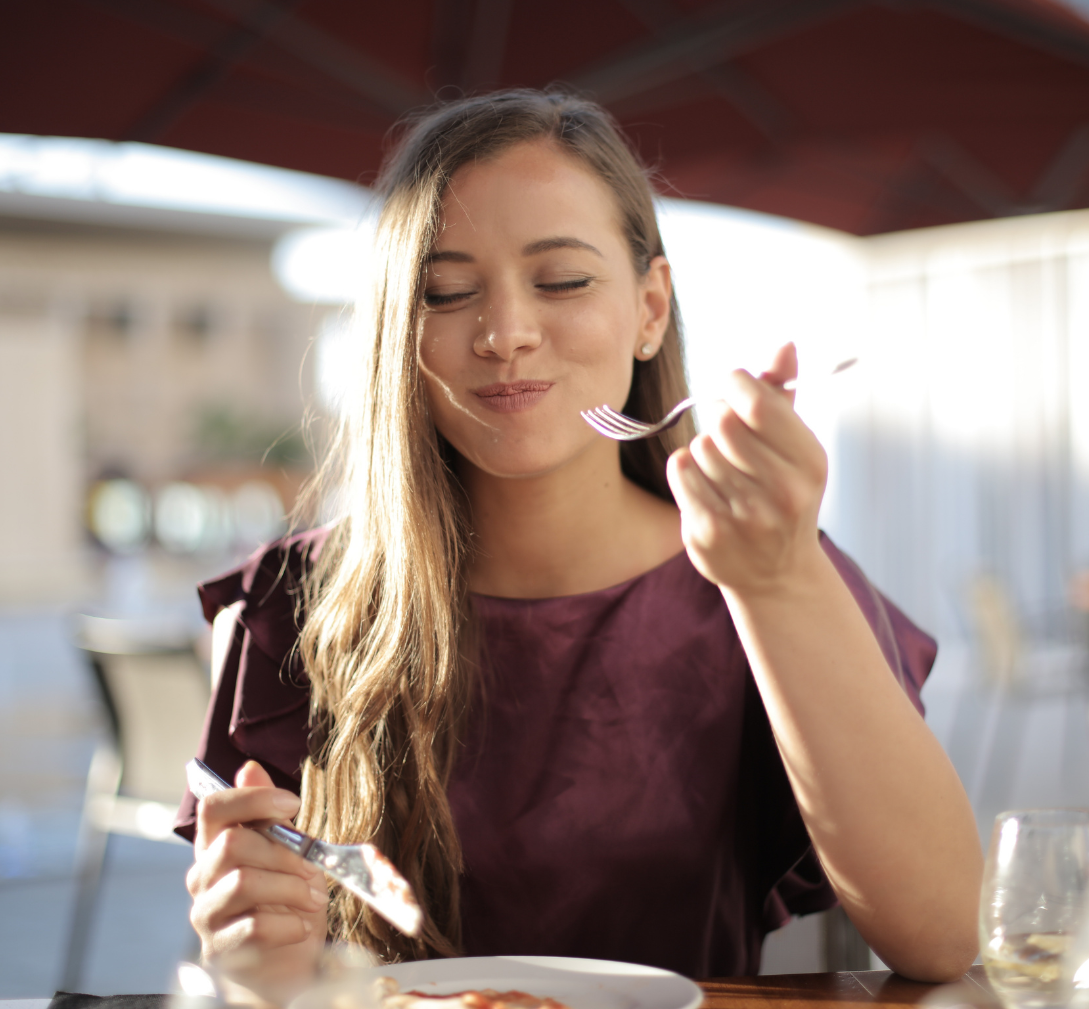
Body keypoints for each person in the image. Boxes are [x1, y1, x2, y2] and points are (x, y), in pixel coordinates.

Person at [177, 89, 981, 1003]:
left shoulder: (762, 572)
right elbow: (265, 968)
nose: (505, 333)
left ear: (649, 308)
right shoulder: (291, 607)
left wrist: (779, 579)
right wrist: (253, 953)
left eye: (561, 280)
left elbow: (942, 933)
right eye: (445, 292)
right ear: (400, 333)